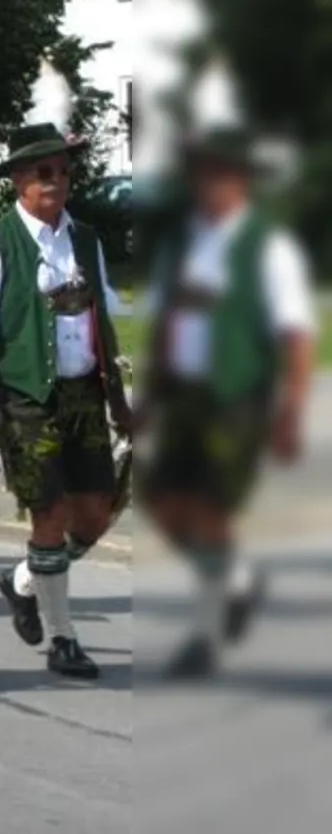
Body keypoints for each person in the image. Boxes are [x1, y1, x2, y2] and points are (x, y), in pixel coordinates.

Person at [135, 61, 317, 678]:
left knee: (209, 506)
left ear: (239, 177)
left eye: (218, 171)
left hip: (238, 394)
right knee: (165, 501)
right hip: (184, 395)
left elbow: (295, 336)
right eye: (201, 172)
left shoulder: (268, 246)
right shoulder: (184, 242)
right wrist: (149, 399)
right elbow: (166, 324)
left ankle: (205, 633)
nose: (208, 182)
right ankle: (236, 578)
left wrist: (290, 412)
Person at [0, 62, 128, 680]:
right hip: (23, 395)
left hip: (84, 394)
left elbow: (104, 322)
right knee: (49, 514)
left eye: (63, 171)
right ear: (19, 181)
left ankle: (23, 580)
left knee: (95, 514)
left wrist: (121, 402)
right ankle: (63, 637)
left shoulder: (87, 240)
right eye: (44, 172)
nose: (56, 181)